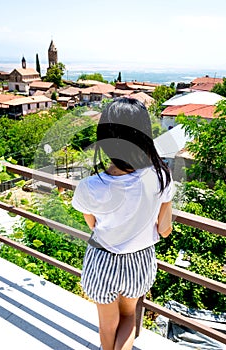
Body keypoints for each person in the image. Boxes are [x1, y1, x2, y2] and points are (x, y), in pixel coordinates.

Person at [72, 97, 173, 350]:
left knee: (107, 325)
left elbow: (92, 225)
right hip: (139, 261)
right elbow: (164, 228)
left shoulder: (89, 187)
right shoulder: (160, 177)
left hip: (103, 259)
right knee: (129, 317)